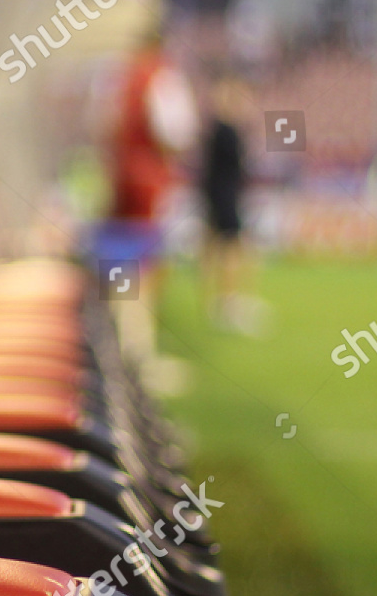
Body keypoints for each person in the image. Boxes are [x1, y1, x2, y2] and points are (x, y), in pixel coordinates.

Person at [102, 29, 199, 371]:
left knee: (122, 267)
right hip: (150, 184)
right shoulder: (162, 77)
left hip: (120, 180)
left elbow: (101, 126)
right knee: (145, 268)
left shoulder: (118, 77)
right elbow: (175, 132)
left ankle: (122, 346)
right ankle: (137, 355)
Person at [198, 77, 267, 334]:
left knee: (222, 250)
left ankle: (221, 302)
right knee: (231, 251)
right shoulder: (225, 131)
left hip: (221, 197)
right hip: (224, 199)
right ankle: (228, 303)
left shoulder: (218, 130)